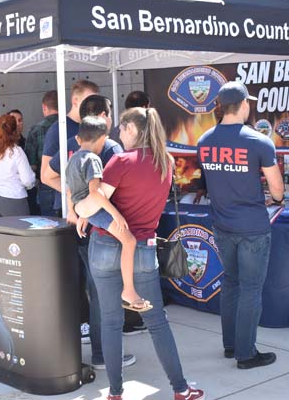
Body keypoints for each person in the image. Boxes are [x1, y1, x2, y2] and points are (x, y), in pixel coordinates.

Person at [86, 107, 204, 400]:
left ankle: (115, 393)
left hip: (104, 246)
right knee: (157, 323)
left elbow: (95, 205)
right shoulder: (165, 161)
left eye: (122, 129)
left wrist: (79, 211)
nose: (119, 134)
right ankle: (180, 388)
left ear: (132, 130)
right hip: (142, 250)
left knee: (110, 322)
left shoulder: (120, 162)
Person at [196, 81, 284, 369]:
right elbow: (279, 191)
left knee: (231, 284)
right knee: (251, 289)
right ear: (244, 105)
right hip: (253, 228)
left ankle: (231, 344)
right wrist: (270, 195)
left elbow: (208, 184)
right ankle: (246, 353)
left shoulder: (204, 140)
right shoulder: (259, 141)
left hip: (223, 225)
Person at [44, 94, 131, 366]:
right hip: (102, 227)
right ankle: (102, 353)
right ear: (104, 117)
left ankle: (97, 347)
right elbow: (118, 189)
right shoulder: (110, 147)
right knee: (103, 293)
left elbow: (48, 175)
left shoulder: (72, 144)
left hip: (78, 224)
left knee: (91, 289)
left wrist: (76, 204)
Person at [66, 116, 151, 313]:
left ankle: (128, 289)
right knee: (129, 241)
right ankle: (128, 290)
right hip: (97, 209)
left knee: (126, 241)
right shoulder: (93, 159)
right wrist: (117, 214)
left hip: (83, 208)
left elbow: (70, 189)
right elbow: (96, 193)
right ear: (103, 138)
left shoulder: (73, 158)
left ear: (78, 139)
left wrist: (76, 213)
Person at [41, 79, 99, 217]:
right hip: (69, 210)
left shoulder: (94, 126)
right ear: (75, 101)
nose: (93, 106)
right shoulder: (58, 129)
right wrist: (73, 193)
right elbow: (45, 176)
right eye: (89, 101)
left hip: (93, 204)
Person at [0, 114, 35, 217]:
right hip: (14, 200)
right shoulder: (17, 152)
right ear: (14, 131)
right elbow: (27, 180)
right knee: (18, 232)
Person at [24, 91, 59, 216]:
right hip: (72, 184)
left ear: (44, 107)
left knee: (50, 225)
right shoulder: (72, 125)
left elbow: (30, 164)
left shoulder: (36, 129)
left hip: (46, 184)